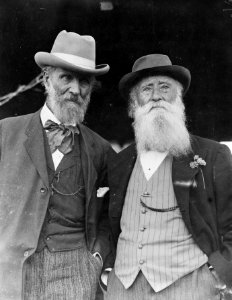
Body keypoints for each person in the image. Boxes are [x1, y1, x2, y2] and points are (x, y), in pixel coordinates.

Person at [103, 54, 232, 299]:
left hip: (190, 286)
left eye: (165, 87)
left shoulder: (212, 154)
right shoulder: (119, 161)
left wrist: (221, 272)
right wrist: (108, 269)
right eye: (146, 89)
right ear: (134, 103)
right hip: (124, 287)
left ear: (179, 97)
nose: (156, 95)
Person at [0, 30, 111, 300]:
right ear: (47, 77)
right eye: (66, 77)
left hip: (75, 275)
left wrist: (97, 255)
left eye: (84, 81)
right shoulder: (6, 132)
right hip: (12, 272)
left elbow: (116, 210)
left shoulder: (100, 149)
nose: (75, 89)